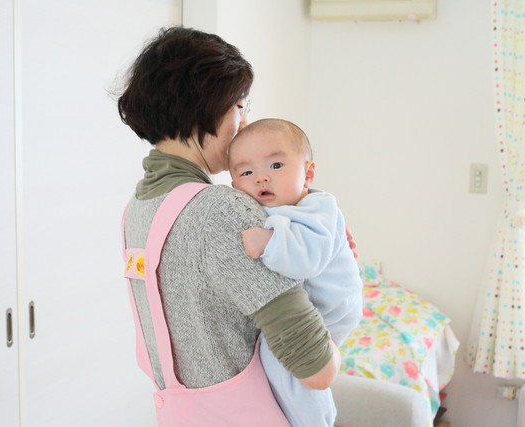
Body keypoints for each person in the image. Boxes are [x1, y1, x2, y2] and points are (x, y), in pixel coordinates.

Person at [117, 26, 340, 426]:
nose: (244, 121)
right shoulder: (221, 211)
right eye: (239, 105)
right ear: (207, 105)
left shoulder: (140, 207)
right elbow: (316, 369)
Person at [228, 118, 363, 427]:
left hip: (331, 308)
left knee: (288, 363)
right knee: (273, 361)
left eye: (276, 166)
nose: (261, 177)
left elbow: (306, 260)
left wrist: (269, 242)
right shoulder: (270, 207)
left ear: (308, 173)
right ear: (235, 187)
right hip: (317, 303)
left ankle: (315, 420)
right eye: (246, 173)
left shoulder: (318, 208)